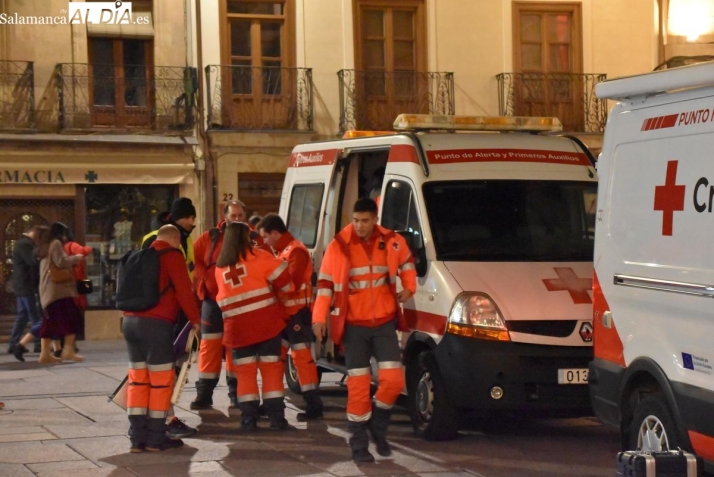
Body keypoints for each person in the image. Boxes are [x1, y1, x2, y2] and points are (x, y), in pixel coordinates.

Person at [312, 198, 416, 463]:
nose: (359, 226)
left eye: (365, 221)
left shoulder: (392, 241)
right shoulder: (338, 245)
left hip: (384, 322)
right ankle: (359, 444)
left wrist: (409, 287)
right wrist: (318, 318)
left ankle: (377, 425)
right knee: (358, 387)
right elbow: (324, 284)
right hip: (354, 327)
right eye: (356, 220)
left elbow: (407, 263)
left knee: (393, 382)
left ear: (375, 219)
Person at [121, 225, 201, 453]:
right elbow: (184, 290)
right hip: (155, 325)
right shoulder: (172, 256)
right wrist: (195, 320)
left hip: (130, 323)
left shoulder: (141, 256)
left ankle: (137, 440)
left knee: (137, 381)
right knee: (160, 382)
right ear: (175, 239)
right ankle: (156, 439)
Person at [215, 222, 293, 430]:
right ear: (246, 238)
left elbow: (221, 301)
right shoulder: (260, 257)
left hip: (237, 330)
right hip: (266, 325)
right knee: (271, 370)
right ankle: (277, 418)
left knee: (245, 373)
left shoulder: (220, 267)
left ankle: (248, 419)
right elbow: (286, 282)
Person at [257, 213, 324, 421]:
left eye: (266, 237)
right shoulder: (282, 252)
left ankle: (314, 405)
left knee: (302, 359)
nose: (264, 241)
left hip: (297, 316)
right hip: (284, 316)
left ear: (275, 233)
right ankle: (271, 403)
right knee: (275, 360)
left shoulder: (296, 251)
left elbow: (291, 285)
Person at [141, 197, 198, 439]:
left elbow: (191, 274)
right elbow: (178, 282)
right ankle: (166, 418)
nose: (193, 222)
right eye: (189, 217)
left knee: (171, 368)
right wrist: (195, 318)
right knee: (165, 370)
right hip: (163, 315)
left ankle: (153, 419)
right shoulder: (158, 240)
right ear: (176, 217)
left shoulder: (186, 239)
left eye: (194, 217)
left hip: (169, 315)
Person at [191, 200, 247, 410]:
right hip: (212, 301)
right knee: (209, 347)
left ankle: (236, 393)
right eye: (234, 216)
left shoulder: (251, 238)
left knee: (235, 347)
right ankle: (204, 394)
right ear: (225, 217)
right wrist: (204, 275)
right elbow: (194, 260)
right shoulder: (210, 237)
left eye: (241, 215)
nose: (238, 219)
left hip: (239, 302)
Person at [16, 223, 86, 363]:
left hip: (49, 292)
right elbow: (61, 262)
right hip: (59, 291)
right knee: (72, 319)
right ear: (60, 234)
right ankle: (67, 351)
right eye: (64, 234)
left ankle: (46, 353)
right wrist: (76, 258)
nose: (66, 237)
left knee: (50, 323)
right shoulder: (55, 244)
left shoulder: (43, 247)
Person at [54, 233, 93, 357]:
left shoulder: (58, 249)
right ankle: (70, 346)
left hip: (64, 286)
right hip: (74, 284)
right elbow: (83, 251)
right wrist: (89, 248)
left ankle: (62, 345)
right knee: (72, 316)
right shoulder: (71, 245)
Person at [8, 225, 44, 357]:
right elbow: (33, 261)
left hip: (22, 284)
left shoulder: (22, 243)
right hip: (26, 285)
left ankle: (13, 344)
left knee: (23, 316)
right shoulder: (25, 244)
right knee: (35, 316)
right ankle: (38, 344)